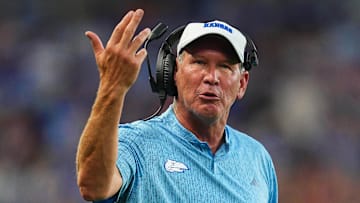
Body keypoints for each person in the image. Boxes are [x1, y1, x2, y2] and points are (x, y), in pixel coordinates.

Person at [76, 8, 278, 203]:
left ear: (242, 83)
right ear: (173, 73)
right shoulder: (135, 143)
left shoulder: (257, 158)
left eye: (225, 66)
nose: (212, 77)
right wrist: (112, 88)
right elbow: (92, 186)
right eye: (199, 62)